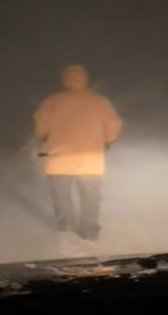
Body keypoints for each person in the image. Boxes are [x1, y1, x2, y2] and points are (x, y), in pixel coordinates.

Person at [33, 64, 123, 241]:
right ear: (85, 80)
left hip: (59, 158)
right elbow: (114, 124)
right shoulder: (99, 102)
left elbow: (40, 124)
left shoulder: (53, 101)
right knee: (91, 196)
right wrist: (107, 141)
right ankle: (89, 229)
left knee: (61, 194)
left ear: (64, 80)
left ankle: (65, 224)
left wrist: (45, 137)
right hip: (90, 159)